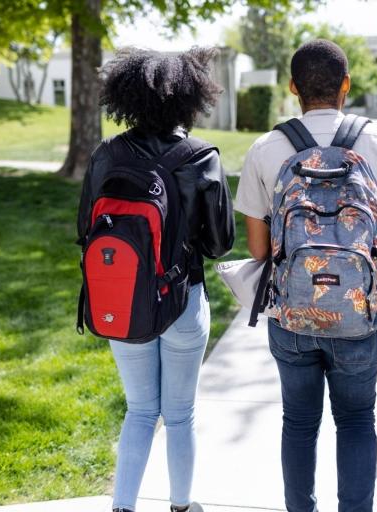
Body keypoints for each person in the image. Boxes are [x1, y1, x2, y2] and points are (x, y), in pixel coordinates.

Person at [235, 39, 377, 512]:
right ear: (346, 85)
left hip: (291, 313)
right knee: (357, 420)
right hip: (359, 314)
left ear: (293, 87)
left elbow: (259, 249)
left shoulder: (265, 148)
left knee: (298, 422)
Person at [76, 47, 235, 512]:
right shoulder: (201, 156)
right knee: (180, 415)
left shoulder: (106, 155)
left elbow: (85, 230)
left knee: (140, 411)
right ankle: (182, 505)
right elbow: (220, 243)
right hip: (183, 300)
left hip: (123, 298)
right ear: (190, 98)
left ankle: (123, 506)